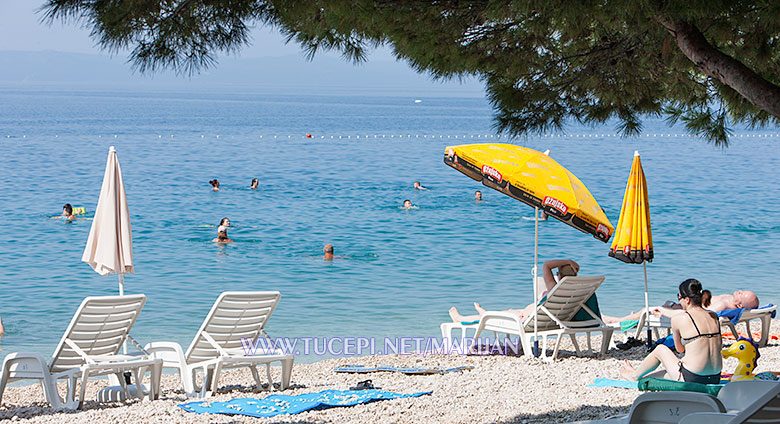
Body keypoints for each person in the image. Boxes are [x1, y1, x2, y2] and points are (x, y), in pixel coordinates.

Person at [620, 279, 722, 384]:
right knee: (660, 375)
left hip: (692, 378)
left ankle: (634, 376)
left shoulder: (678, 319)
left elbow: (680, 349)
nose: (679, 300)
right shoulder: (713, 316)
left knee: (660, 349)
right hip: (715, 377)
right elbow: (690, 314)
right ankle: (637, 374)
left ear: (687, 300)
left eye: (679, 297)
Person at [449, 259, 580, 322]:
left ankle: (460, 318)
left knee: (496, 316)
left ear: (559, 276)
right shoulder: (576, 291)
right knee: (511, 311)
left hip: (529, 318)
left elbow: (546, 265)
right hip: (540, 317)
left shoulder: (554, 288)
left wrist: (568, 261)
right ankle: (485, 312)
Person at [602, 289, 760, 324]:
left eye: (742, 294)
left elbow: (701, 313)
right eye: (742, 290)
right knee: (646, 310)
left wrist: (673, 307)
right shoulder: (729, 299)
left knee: (646, 310)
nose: (739, 291)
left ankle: (617, 321)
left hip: (684, 311)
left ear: (739, 305)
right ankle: (628, 317)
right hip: (685, 306)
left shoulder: (724, 304)